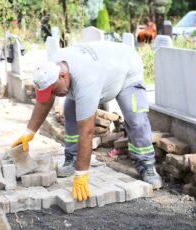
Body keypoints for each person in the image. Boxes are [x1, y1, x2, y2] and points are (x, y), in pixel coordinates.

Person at [11, 41, 162, 202]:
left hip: (126, 68)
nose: (54, 94)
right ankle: (73, 157)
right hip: (98, 68)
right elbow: (45, 100)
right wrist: (30, 132)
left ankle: (146, 165)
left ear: (63, 76)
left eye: (54, 90)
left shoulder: (86, 81)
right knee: (70, 112)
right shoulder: (52, 69)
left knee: (136, 118)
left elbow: (87, 132)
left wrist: (81, 174)